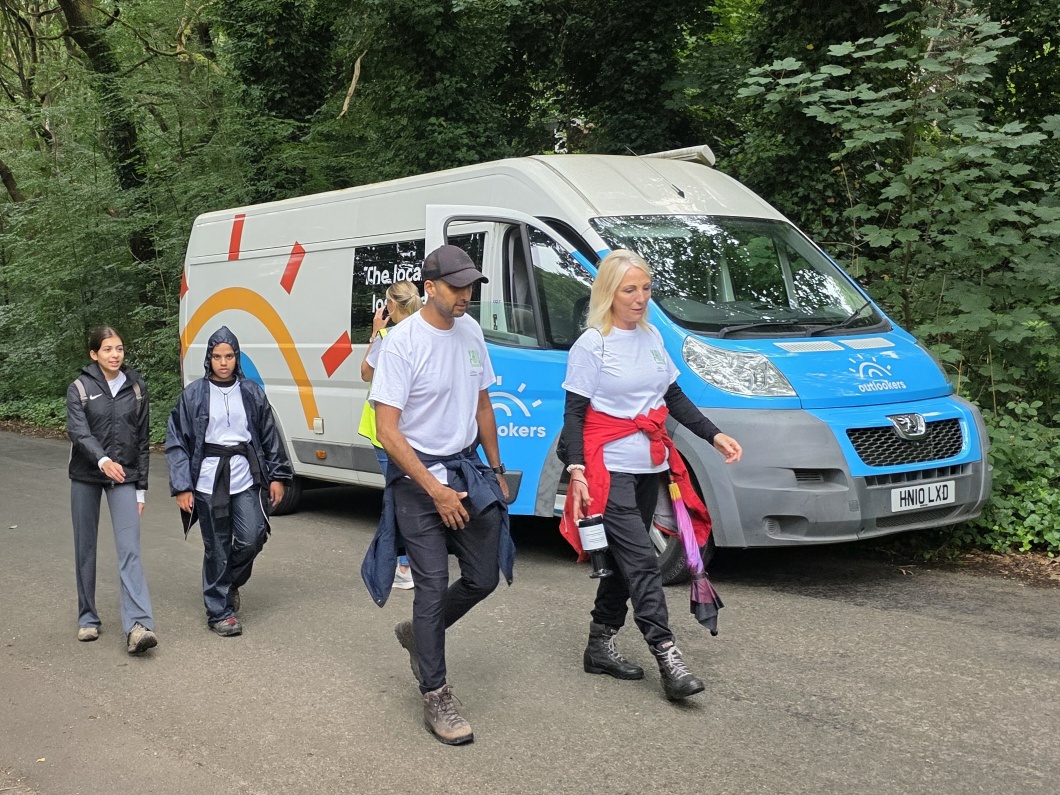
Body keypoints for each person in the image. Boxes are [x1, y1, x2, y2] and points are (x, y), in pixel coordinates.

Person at [559, 249, 742, 701]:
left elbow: (673, 397)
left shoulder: (651, 336)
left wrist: (714, 435)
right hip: (609, 469)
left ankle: (599, 643)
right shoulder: (592, 344)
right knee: (642, 562)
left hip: (650, 465)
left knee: (626, 560)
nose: (640, 298)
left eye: (645, 288)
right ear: (609, 292)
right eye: (630, 290)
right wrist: (577, 469)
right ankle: (667, 654)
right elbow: (574, 414)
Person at [360, 245, 514, 746]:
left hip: (466, 470)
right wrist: (435, 490)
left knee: (484, 577)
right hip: (416, 481)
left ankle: (417, 635)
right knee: (429, 585)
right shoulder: (403, 343)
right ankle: (436, 692)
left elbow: (483, 403)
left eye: (471, 286)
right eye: (456, 287)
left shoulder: (471, 332)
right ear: (430, 287)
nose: (466, 295)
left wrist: (495, 467)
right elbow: (388, 429)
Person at [165, 326, 293, 637]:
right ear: (209, 359)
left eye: (230, 356)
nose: (224, 362)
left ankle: (226, 582)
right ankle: (219, 611)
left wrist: (277, 475)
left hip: (245, 476)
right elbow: (177, 441)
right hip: (209, 481)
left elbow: (269, 435)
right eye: (217, 356)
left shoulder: (251, 392)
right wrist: (182, 486)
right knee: (217, 547)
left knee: (254, 536)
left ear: (237, 358)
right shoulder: (193, 394)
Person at [65, 326, 158, 655]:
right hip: (86, 475)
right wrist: (102, 459)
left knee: (130, 549)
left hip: (125, 476)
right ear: (94, 354)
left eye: (119, 348)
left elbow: (143, 442)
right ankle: (88, 617)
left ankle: (138, 625)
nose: (115, 354)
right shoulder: (79, 387)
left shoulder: (136, 387)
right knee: (85, 548)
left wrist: (141, 490)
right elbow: (78, 431)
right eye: (107, 349)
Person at [359, 281, 424, 590]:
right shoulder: (427, 333)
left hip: (386, 431)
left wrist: (375, 333)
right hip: (418, 430)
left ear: (392, 308)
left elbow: (366, 373)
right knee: (416, 493)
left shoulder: (389, 336)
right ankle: (416, 560)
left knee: (398, 497)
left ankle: (403, 565)